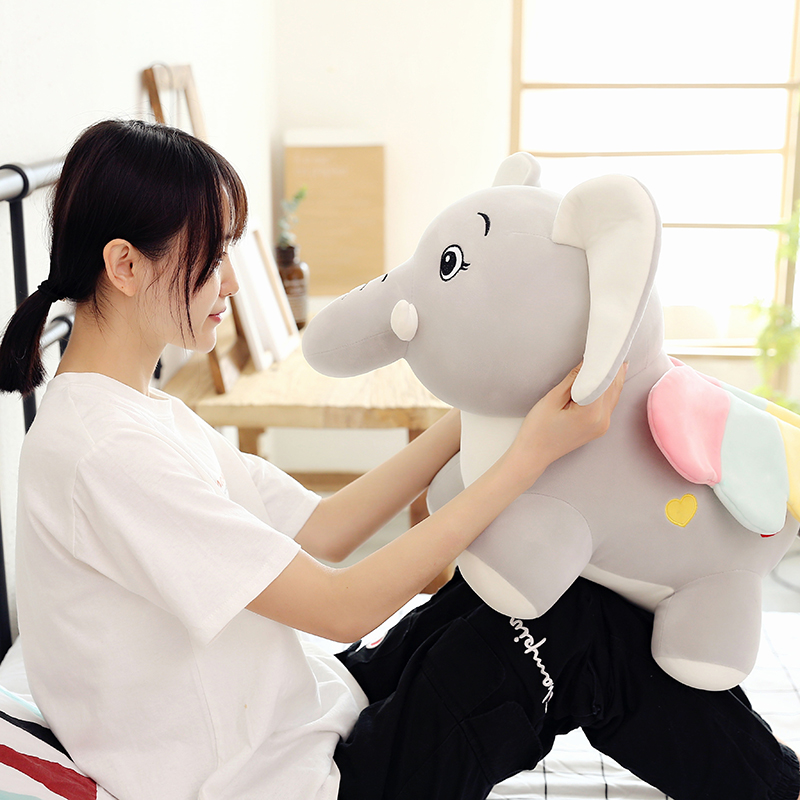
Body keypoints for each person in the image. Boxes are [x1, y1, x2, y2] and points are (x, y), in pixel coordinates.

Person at [0, 118, 796, 800]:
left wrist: (481, 414)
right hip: (298, 784)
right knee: (572, 628)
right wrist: (524, 460)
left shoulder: (137, 415)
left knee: (511, 591)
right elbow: (341, 606)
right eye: (211, 257)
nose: (231, 283)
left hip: (305, 718)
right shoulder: (105, 455)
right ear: (126, 266)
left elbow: (324, 527)